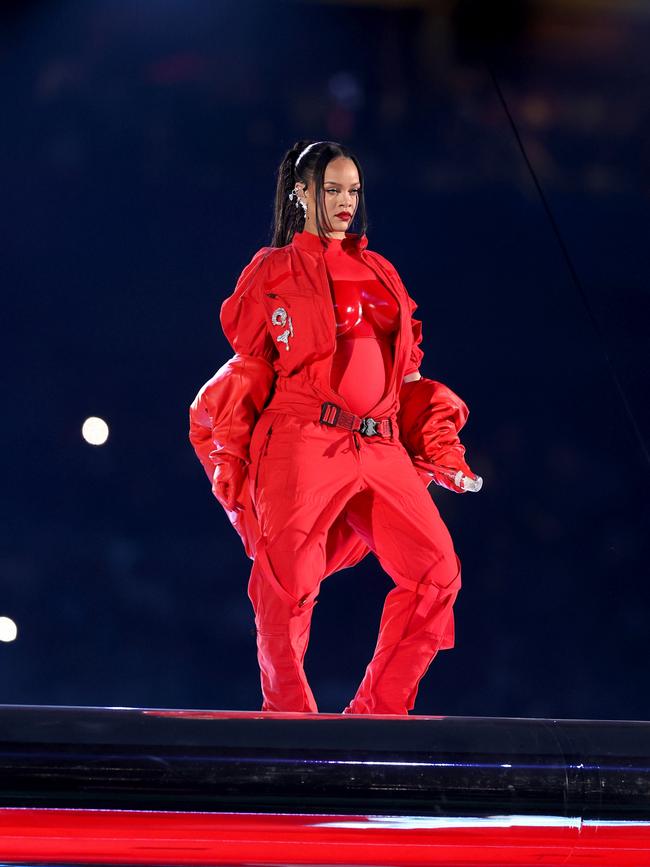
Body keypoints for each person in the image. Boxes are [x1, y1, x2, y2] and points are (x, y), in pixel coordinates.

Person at [189, 140, 482, 715]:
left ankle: (379, 713)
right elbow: (249, 364)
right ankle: (290, 718)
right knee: (286, 579)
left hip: (381, 440)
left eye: (353, 190)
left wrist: (439, 443)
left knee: (436, 571)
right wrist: (229, 450)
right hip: (303, 434)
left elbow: (410, 370)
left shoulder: (381, 269)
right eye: (332, 190)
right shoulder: (271, 269)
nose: (346, 201)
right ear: (301, 194)